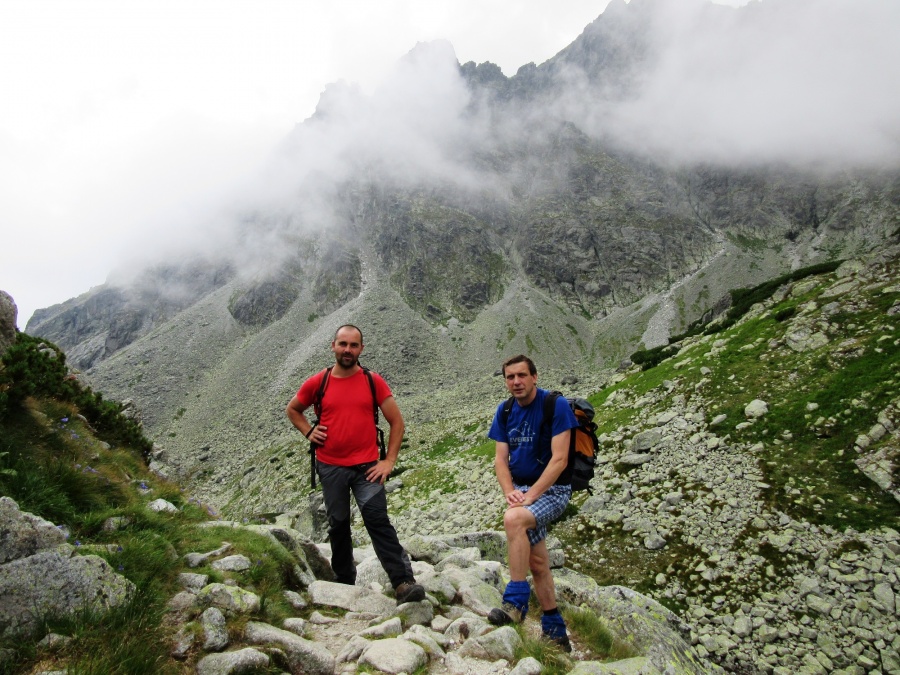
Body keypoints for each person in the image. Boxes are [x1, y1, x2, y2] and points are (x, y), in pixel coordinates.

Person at [286, 324, 424, 604]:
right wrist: (309, 432)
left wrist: (389, 461)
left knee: (377, 521)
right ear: (333, 346)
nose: (347, 350)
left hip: (367, 468)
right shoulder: (319, 382)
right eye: (343, 344)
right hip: (330, 466)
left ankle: (403, 582)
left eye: (353, 345)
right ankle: (344, 581)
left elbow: (397, 422)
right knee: (338, 524)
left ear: (361, 349)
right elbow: (293, 409)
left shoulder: (373, 381)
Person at [487, 354, 579, 651]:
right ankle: (556, 631)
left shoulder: (555, 405)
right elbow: (500, 460)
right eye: (510, 377)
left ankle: (515, 603)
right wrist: (510, 491)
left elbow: (560, 460)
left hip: (553, 491)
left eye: (522, 375)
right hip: (523, 489)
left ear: (535, 377)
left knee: (514, 519)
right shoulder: (505, 411)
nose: (516, 382)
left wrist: (531, 495)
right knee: (538, 563)